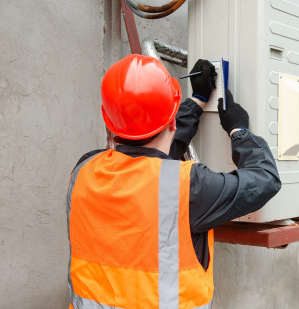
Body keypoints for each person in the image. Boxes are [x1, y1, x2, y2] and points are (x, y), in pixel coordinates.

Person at [66, 54, 281, 309]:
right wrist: (240, 132)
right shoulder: (188, 186)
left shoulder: (83, 171)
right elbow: (265, 178)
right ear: (171, 121)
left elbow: (148, 158)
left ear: (108, 120)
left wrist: (197, 101)